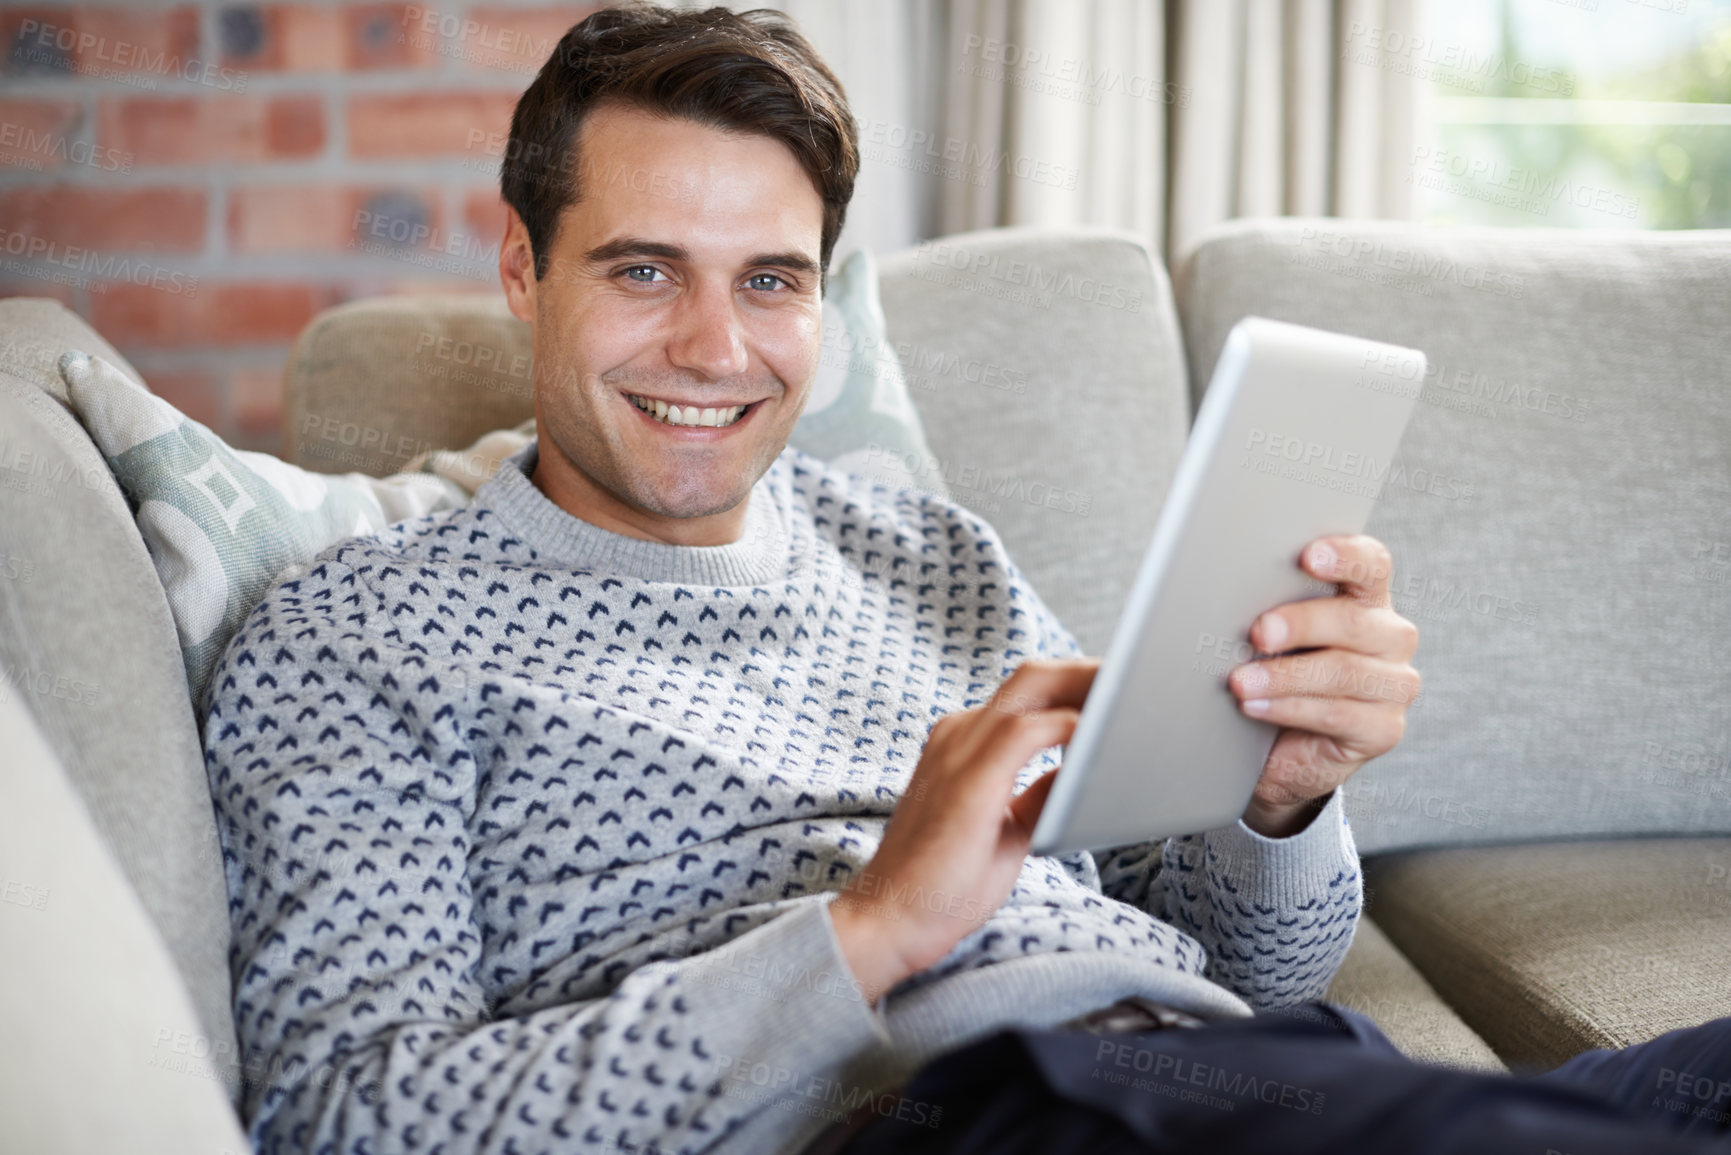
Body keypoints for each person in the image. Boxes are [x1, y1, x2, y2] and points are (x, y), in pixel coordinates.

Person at [199, 5, 1731, 1154]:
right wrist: (869, 932)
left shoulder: (929, 554)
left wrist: (1279, 804)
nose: (717, 351)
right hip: (949, 1119)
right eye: (645, 269)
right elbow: (350, 1122)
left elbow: (1251, 962)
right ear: (524, 269)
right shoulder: (358, 637)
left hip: (1241, 1074)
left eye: (773, 282)